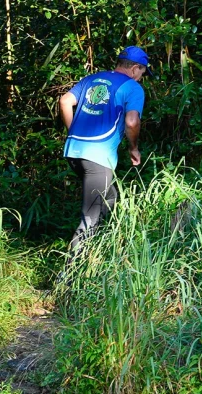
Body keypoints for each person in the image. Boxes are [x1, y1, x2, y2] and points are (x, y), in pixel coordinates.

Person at [58, 46, 151, 249]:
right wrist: (133, 148)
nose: (141, 78)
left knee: (110, 197)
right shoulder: (132, 87)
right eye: (142, 72)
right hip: (98, 158)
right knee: (89, 219)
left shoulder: (93, 79)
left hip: (73, 152)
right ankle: (70, 277)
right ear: (135, 68)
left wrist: (72, 133)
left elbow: (65, 101)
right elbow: (132, 121)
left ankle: (98, 253)